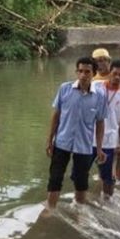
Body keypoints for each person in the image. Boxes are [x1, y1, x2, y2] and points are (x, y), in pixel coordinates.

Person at [46, 58, 107, 207]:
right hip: (62, 141)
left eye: (87, 72)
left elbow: (100, 123)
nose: (83, 75)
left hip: (84, 145)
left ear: (93, 74)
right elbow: (56, 115)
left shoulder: (100, 96)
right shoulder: (64, 89)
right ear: (76, 72)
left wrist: (99, 148)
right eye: (80, 71)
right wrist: (49, 140)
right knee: (55, 177)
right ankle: (50, 209)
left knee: (81, 180)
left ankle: (79, 211)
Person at [95, 63, 120, 199]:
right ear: (109, 72)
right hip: (89, 139)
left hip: (110, 141)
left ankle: (108, 202)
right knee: (81, 173)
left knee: (108, 178)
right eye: (115, 73)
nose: (117, 77)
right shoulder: (96, 86)